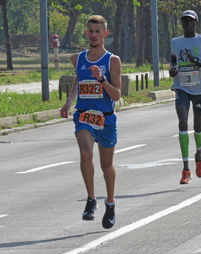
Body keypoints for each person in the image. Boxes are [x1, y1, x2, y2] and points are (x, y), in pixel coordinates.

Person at [60, 15, 122, 229]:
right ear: (86, 33)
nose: (93, 35)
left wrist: (102, 79)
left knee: (106, 166)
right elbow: (78, 81)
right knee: (86, 154)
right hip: (84, 115)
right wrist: (68, 104)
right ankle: (91, 199)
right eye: (90, 31)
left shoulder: (112, 60)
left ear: (105, 34)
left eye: (98, 31)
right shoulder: (78, 58)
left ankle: (110, 202)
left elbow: (116, 95)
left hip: (105, 118)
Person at [169, 10, 201, 184]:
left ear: (196, 23)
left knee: (197, 125)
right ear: (181, 24)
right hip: (181, 87)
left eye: (190, 22)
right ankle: (185, 169)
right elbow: (173, 62)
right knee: (182, 122)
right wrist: (172, 70)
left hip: (200, 89)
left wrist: (197, 62)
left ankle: (198, 153)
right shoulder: (175, 42)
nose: (187, 24)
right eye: (184, 22)